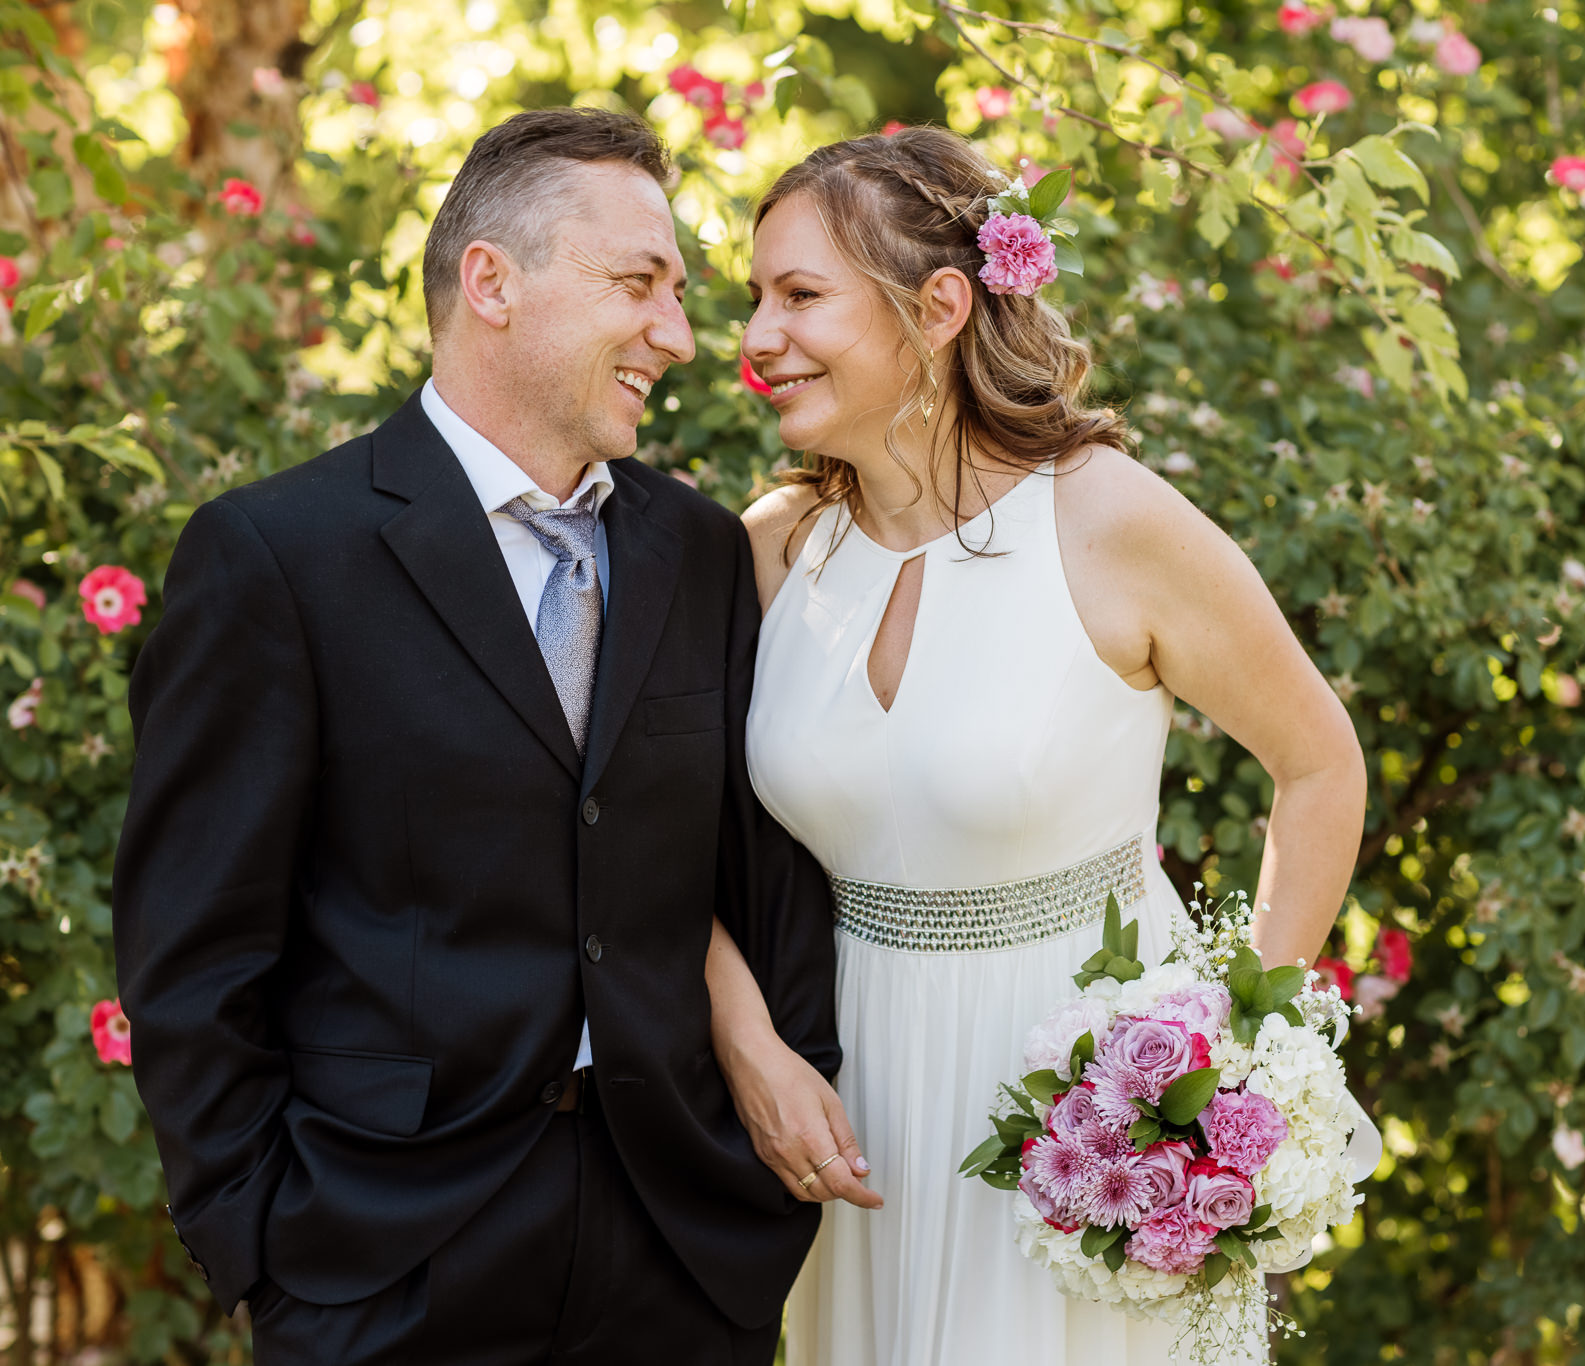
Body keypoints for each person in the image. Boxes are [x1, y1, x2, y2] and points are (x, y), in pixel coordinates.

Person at [111, 107, 858, 1365]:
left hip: (678, 1258)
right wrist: (258, 1240)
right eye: (639, 284)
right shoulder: (277, 558)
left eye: (678, 294)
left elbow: (759, 871)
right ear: (491, 281)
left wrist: (749, 1182)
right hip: (381, 1266)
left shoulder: (701, 554)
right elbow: (193, 954)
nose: (676, 336)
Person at [728, 128, 1370, 1365]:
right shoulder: (775, 549)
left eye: (799, 295)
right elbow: (661, 835)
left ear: (939, 306)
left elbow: (1317, 764)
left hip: (1076, 1112)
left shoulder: (1103, 516)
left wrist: (1215, 1068)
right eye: (755, 296)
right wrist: (749, 1046)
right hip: (850, 1103)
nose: (757, 335)